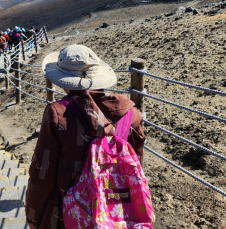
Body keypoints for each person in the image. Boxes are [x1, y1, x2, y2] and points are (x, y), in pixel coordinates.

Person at [25, 45, 146, 229]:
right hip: (117, 214)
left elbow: (42, 175)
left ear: (63, 81)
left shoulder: (58, 114)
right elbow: (136, 165)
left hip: (69, 215)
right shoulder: (130, 115)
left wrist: (34, 217)